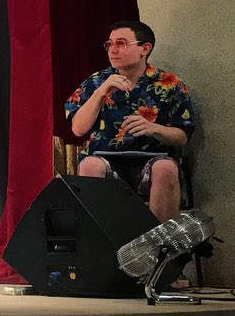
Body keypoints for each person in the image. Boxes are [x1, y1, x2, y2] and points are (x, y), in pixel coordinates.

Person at [64, 20, 195, 223]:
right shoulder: (96, 82)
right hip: (105, 159)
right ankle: (99, 240)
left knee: (166, 168)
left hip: (152, 161)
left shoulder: (169, 84)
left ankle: (159, 241)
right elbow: (78, 129)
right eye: (110, 44)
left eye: (121, 44)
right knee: (89, 164)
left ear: (145, 49)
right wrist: (100, 92)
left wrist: (154, 128)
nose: (113, 50)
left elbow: (182, 136)